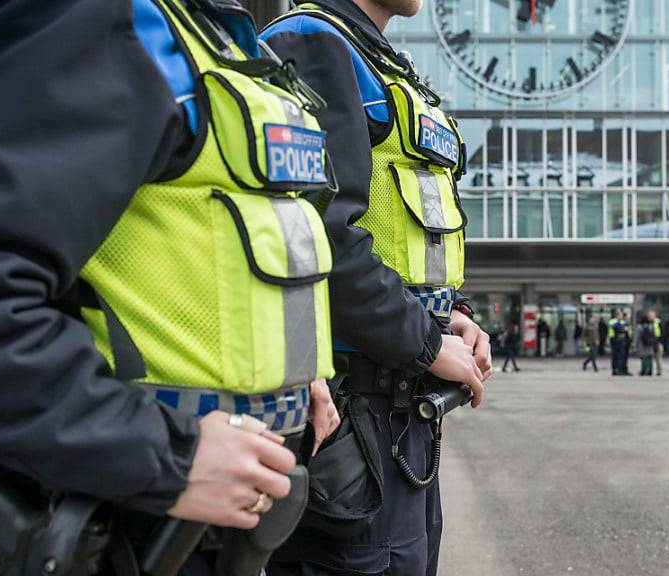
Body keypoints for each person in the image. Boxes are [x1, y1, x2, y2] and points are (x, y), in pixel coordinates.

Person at [0, 1, 343, 572]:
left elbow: (190, 245)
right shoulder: (94, 17)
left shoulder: (203, 30)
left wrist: (293, 372)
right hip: (116, 522)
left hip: (203, 518)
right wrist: (164, 457)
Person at [260, 1, 492, 574]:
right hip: (350, 415)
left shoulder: (379, 60)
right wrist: (431, 343)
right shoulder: (313, 44)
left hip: (398, 414)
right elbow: (322, 235)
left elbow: (397, 237)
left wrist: (451, 315)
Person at [651, 311, 664, 376]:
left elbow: (663, 332)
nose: (650, 317)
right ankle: (649, 370)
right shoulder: (650, 322)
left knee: (658, 357)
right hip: (651, 341)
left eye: (651, 316)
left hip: (658, 341)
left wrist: (660, 340)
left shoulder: (658, 322)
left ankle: (659, 370)